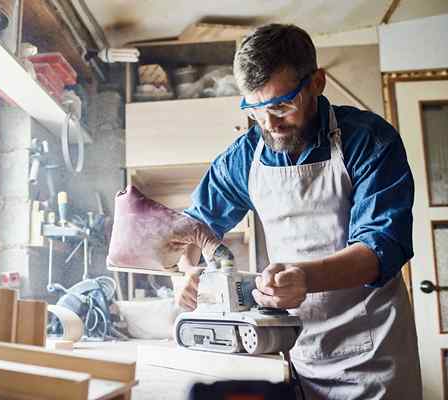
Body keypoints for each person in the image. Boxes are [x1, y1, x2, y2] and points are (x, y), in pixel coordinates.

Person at [176, 23, 421, 399]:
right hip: (297, 350)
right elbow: (192, 228)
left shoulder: (370, 141)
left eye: (281, 105)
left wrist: (303, 278)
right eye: (254, 109)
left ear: (316, 83)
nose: (269, 125)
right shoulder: (244, 157)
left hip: (374, 354)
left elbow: (380, 249)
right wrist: (188, 272)